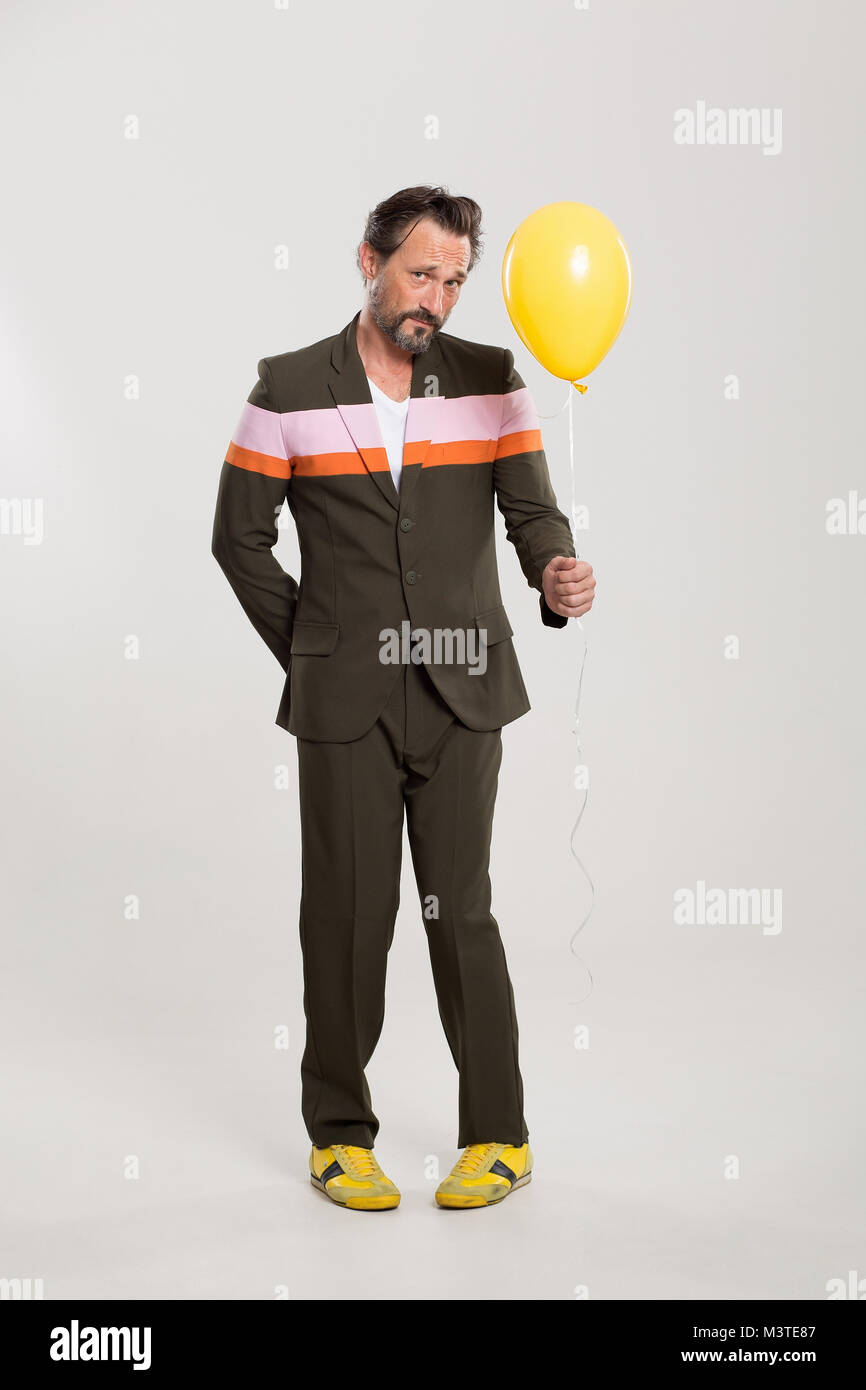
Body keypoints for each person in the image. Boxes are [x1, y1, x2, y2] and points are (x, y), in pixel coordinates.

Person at [211, 185, 596, 1211]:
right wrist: (313, 649)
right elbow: (236, 538)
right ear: (368, 261)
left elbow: (532, 517)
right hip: (344, 702)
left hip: (464, 685)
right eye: (421, 272)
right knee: (344, 916)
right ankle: (338, 1132)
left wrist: (554, 572)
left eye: (455, 280)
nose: (437, 296)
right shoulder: (287, 387)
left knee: (460, 910)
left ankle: (498, 1136)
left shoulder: (489, 380)